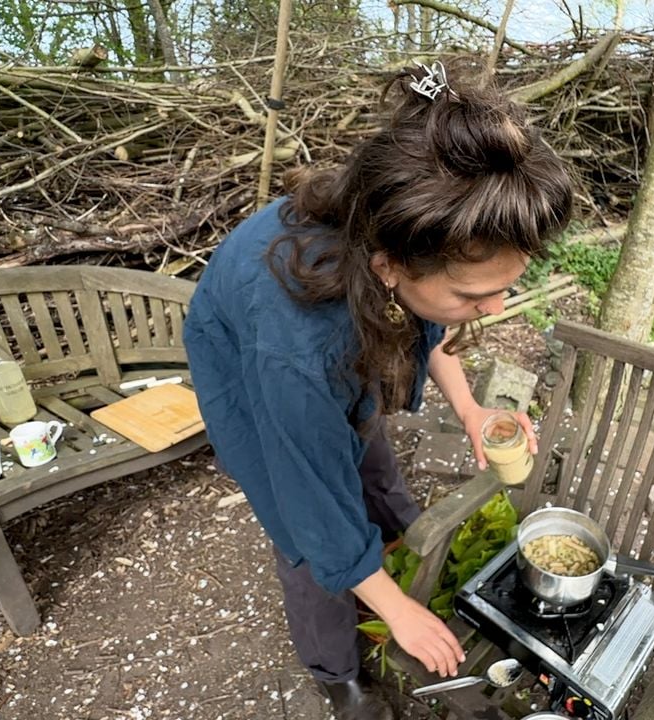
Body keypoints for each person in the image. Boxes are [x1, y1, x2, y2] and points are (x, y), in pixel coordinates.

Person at [182, 61, 574, 720]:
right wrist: (400, 616)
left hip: (332, 338)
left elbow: (430, 313)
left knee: (371, 458)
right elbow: (309, 491)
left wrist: (472, 409)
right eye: (476, 296)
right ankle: (337, 677)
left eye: (507, 287)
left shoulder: (402, 226)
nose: (495, 308)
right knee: (308, 531)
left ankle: (393, 553)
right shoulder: (299, 352)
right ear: (389, 266)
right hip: (248, 363)